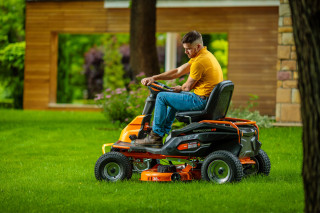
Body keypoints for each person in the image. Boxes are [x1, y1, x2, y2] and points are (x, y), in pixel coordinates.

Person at [135, 30, 223, 147]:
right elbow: (178, 71)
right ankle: (162, 132)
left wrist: (180, 88)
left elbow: (186, 87)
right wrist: (154, 77)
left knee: (161, 97)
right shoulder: (204, 55)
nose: (186, 52)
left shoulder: (200, 62)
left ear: (198, 46)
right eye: (185, 48)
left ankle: (155, 136)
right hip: (206, 99)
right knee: (172, 96)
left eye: (188, 49)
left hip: (201, 101)